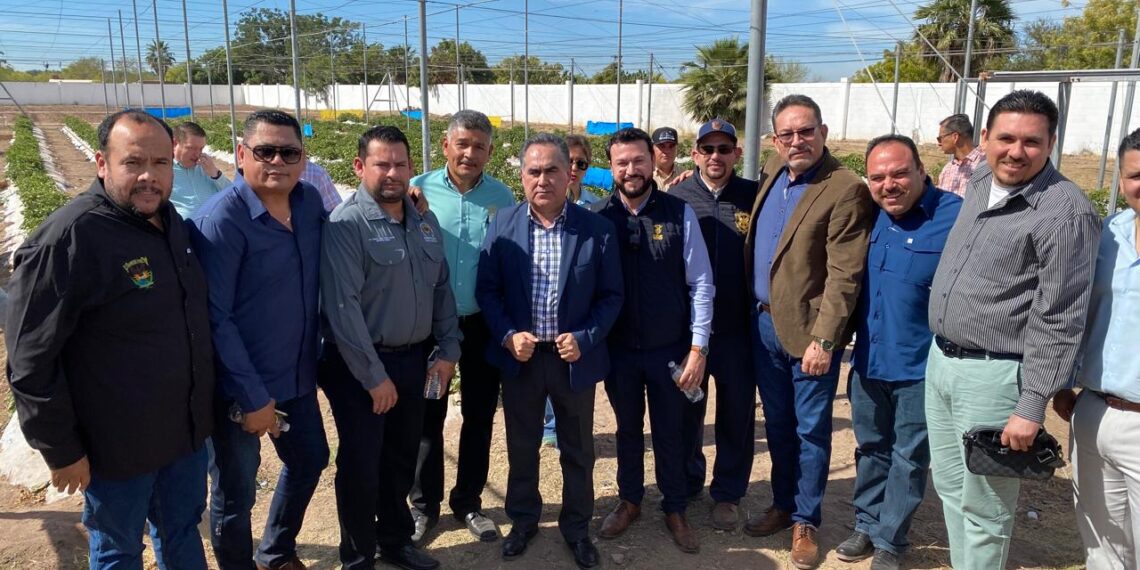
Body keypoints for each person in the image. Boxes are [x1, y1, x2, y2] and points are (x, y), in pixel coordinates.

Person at [6, 109, 214, 568]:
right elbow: (30, 359)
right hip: (115, 445)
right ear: (102, 162)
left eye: (161, 164)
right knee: (118, 547)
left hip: (183, 433)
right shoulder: (70, 238)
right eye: (133, 163)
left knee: (181, 531)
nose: (149, 177)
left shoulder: (169, 224)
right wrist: (61, 450)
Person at [926, 90, 1100, 569]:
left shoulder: (1065, 211)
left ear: (1051, 143)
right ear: (985, 138)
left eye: (1031, 141)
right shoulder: (981, 179)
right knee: (949, 487)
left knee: (985, 506)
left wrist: (1031, 406)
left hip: (995, 376)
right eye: (1005, 138)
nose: (1016, 151)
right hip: (942, 361)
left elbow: (1061, 317)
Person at [189, 109, 330, 570]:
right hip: (238, 386)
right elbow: (217, 319)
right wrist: (252, 398)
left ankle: (275, 550)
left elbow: (355, 222)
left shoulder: (308, 203)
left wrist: (409, 201)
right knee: (236, 490)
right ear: (241, 154)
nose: (277, 161)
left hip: (296, 373)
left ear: (302, 157)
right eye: (264, 151)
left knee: (310, 459)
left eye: (288, 152)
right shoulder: (221, 221)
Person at [475, 133, 623, 569]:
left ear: (569, 173)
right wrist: (506, 335)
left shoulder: (596, 228)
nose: (543, 179)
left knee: (577, 448)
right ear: (522, 176)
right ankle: (523, 522)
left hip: (571, 358)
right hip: (521, 358)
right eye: (534, 171)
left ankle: (577, 528)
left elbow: (612, 296)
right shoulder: (502, 224)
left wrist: (586, 337)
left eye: (552, 170)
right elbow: (488, 290)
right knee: (522, 445)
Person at [743, 94, 875, 569]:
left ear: (823, 131)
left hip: (809, 337)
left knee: (811, 432)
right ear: (775, 140)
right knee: (777, 425)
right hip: (763, 326)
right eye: (787, 134)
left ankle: (805, 520)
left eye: (805, 131)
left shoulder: (844, 188)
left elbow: (845, 276)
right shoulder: (775, 175)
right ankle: (783, 504)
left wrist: (825, 340)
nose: (796, 141)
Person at [320, 125, 461, 570]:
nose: (392, 173)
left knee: (402, 457)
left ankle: (395, 541)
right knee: (362, 464)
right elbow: (343, 311)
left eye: (400, 164)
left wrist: (449, 350)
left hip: (413, 360)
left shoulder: (423, 219)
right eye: (382, 164)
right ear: (361, 167)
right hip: (361, 367)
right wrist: (373, 377)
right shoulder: (346, 225)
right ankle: (358, 555)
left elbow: (441, 289)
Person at [835, 135, 962, 570]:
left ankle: (891, 540)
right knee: (871, 448)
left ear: (922, 170)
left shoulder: (956, 218)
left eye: (899, 173)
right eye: (878, 176)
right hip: (869, 360)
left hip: (921, 366)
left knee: (909, 456)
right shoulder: (868, 217)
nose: (889, 184)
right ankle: (866, 524)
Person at [591, 128, 714, 553]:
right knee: (627, 429)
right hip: (620, 351)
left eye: (638, 161)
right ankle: (629, 500)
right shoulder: (598, 219)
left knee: (672, 431)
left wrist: (698, 348)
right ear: (611, 167)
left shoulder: (679, 214)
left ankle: (675, 506)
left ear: (653, 162)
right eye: (621, 162)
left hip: (670, 351)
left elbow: (701, 283)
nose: (631, 170)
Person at [408, 110, 515, 543]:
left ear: (490, 152)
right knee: (427, 416)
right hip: (432, 326)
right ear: (447, 145)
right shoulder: (418, 189)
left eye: (479, 146)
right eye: (462, 144)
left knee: (479, 415)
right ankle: (423, 506)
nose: (470, 153)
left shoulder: (502, 196)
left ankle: (468, 502)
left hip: (481, 324)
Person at [668, 118, 758, 531]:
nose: (715, 157)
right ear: (695, 154)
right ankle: (687, 484)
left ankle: (728, 493)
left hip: (739, 330)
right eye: (708, 149)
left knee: (736, 414)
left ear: (736, 154)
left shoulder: (754, 196)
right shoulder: (678, 196)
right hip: (691, 332)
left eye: (724, 149)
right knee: (688, 412)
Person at [171, 121, 229, 218]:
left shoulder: (206, 167)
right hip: (186, 230)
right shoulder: (165, 171)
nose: (197, 154)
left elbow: (232, 194)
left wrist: (216, 174)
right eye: (191, 148)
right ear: (175, 144)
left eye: (201, 149)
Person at [935, 113, 984, 198]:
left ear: (955, 137)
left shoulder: (985, 163)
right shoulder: (948, 169)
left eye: (940, 139)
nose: (939, 143)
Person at [567, 134, 602, 206]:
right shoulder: (545, 202)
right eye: (568, 161)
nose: (574, 168)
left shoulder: (596, 206)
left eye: (581, 163)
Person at [652, 126, 681, 191]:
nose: (667, 151)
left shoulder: (685, 176)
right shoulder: (645, 175)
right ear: (652, 149)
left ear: (677, 149)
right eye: (662, 146)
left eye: (671, 146)